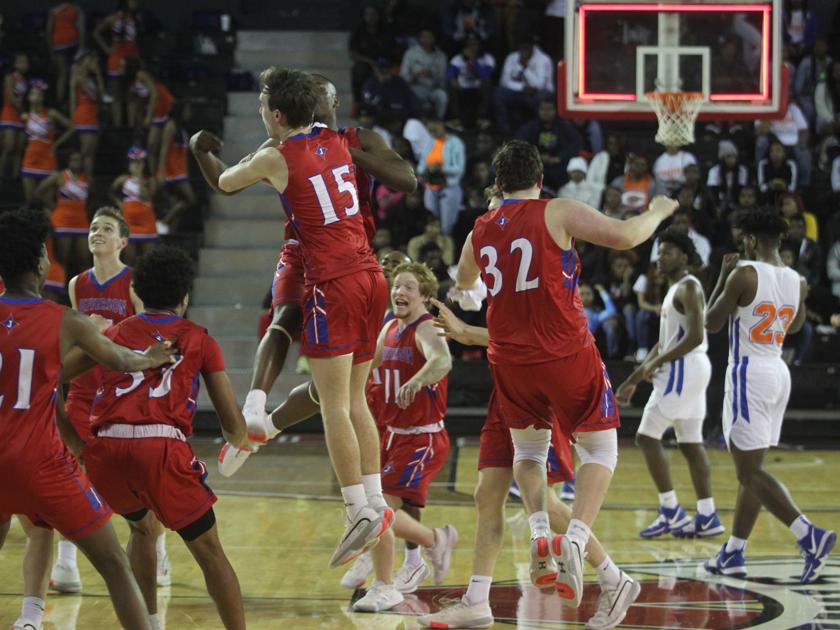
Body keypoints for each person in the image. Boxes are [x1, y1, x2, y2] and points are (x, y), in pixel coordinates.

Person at [437, 140, 676, 616]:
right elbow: (628, 236)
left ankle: (543, 533)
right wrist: (657, 211)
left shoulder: (478, 230)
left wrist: (470, 296)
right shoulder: (558, 211)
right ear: (540, 181)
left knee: (528, 452)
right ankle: (576, 538)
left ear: (498, 184)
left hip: (509, 360)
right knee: (602, 447)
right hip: (563, 350)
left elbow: (464, 288)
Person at [197, 67, 394, 567]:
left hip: (334, 281)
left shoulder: (275, 156)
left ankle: (356, 510)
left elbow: (222, 182)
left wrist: (201, 149)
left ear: (277, 115)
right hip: (372, 276)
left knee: (333, 406)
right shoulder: (335, 139)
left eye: (264, 107)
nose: (261, 113)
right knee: (355, 400)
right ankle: (374, 500)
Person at [0, 208, 175, 630]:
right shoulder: (65, 320)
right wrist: (150, 357)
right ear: (41, 262)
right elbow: (120, 359)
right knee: (114, 562)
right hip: (42, 464)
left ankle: (35, 609)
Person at [421, 295, 640, 630]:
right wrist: (465, 328)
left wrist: (466, 322)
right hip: (507, 387)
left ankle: (613, 577)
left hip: (541, 385)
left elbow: (532, 329)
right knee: (487, 495)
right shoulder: (504, 264)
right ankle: (477, 601)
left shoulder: (531, 257)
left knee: (547, 503)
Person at [81, 245, 250, 630]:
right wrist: (243, 437)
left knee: (143, 527)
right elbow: (232, 425)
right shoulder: (198, 338)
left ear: (136, 292)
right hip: (158, 445)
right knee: (209, 551)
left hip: (105, 449)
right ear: (185, 296)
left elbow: (69, 382)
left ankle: (150, 623)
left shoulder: (114, 333)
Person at [704, 210, 835, 583]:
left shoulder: (744, 273)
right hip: (778, 372)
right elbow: (794, 326)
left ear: (748, 240)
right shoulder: (796, 279)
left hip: (748, 373)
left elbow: (711, 323)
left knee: (749, 472)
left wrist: (720, 278)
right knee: (752, 473)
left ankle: (808, 534)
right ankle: (734, 552)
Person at [350, 261, 457, 610]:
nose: (400, 292)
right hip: (393, 434)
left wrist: (417, 379)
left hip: (421, 437)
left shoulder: (427, 328)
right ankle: (414, 560)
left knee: (381, 509)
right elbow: (368, 365)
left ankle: (428, 545)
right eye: (397, 285)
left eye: (409, 287)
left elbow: (442, 361)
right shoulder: (390, 328)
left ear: (424, 296)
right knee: (394, 508)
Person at [616, 229, 724, 539]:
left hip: (684, 368)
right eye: (659, 252)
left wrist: (657, 363)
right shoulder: (676, 287)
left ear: (685, 257)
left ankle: (671, 511)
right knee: (691, 444)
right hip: (689, 368)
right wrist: (634, 379)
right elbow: (664, 343)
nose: (660, 257)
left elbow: (695, 337)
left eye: (667, 252)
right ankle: (707, 515)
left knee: (646, 438)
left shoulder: (688, 289)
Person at [35, 151, 90, 279]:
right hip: (63, 221)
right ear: (68, 162)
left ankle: (86, 288)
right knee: (63, 258)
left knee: (84, 258)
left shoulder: (87, 178)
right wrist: (52, 206)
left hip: (81, 221)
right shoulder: (60, 176)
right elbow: (39, 192)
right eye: (73, 160)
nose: (76, 163)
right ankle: (62, 286)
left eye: (78, 160)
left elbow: (91, 199)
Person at [20, 80, 75, 204]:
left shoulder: (51, 113)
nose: (36, 97)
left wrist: (56, 144)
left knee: (47, 201)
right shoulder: (25, 116)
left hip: (47, 158)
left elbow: (71, 127)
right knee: (30, 200)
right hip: (30, 159)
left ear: (43, 97)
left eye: (39, 94)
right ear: (29, 97)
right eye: (33, 94)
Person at [515, 99, 581, 191]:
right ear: (538, 110)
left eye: (549, 109)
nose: (546, 113)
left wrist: (559, 158)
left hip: (559, 166)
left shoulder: (565, 127)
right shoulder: (529, 128)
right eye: (543, 109)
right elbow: (520, 146)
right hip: (535, 166)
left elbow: (576, 144)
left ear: (555, 110)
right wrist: (538, 157)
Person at [493, 38, 554, 136]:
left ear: (532, 47)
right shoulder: (512, 58)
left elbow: (539, 85)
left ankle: (538, 133)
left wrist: (525, 68)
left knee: (541, 97)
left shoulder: (543, 59)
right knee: (499, 93)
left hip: (541, 92)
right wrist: (522, 87)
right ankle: (505, 132)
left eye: (527, 48)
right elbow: (504, 81)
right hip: (520, 92)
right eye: (522, 48)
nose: (524, 51)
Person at [94, 0, 140, 126]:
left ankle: (131, 127)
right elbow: (96, 32)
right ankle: (117, 126)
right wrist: (106, 49)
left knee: (132, 94)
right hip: (116, 59)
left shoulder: (135, 18)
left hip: (132, 60)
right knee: (117, 96)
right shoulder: (112, 18)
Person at [416, 115, 465, 236]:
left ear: (442, 125)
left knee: (446, 227)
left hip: (449, 188)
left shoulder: (455, 143)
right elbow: (421, 165)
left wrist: (440, 168)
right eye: (430, 130)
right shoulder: (430, 142)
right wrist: (426, 169)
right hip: (431, 187)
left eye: (435, 129)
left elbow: (459, 169)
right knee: (431, 222)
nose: (432, 132)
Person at [123, 59, 174, 174]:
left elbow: (154, 93)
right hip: (153, 107)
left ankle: (156, 172)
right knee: (152, 146)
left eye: (122, 66)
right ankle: (153, 172)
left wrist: (148, 116)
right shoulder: (130, 81)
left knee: (152, 143)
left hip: (162, 103)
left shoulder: (141, 75)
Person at [110, 145, 159, 262]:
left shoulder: (150, 181)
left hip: (147, 223)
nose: (136, 164)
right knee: (129, 258)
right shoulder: (123, 179)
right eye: (133, 161)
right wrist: (119, 203)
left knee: (148, 259)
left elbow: (147, 196)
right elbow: (111, 192)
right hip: (129, 223)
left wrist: (138, 177)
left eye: (139, 162)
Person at [156, 100, 196, 234]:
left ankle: (170, 234)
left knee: (176, 203)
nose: (189, 113)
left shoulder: (181, 128)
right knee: (190, 199)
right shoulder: (170, 126)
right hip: (172, 170)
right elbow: (164, 149)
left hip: (180, 170)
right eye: (187, 110)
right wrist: (161, 170)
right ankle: (164, 221)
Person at [69, 50, 104, 177]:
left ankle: (88, 181)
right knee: (86, 153)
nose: (95, 64)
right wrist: (73, 117)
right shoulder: (79, 77)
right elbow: (93, 96)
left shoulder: (91, 78)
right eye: (93, 61)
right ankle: (81, 180)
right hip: (84, 115)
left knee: (91, 154)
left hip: (93, 115)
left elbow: (101, 95)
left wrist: (99, 75)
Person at [400, 28, 449, 119]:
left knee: (442, 96)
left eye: (429, 36)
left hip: (433, 87)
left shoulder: (440, 55)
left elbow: (443, 78)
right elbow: (403, 77)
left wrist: (432, 73)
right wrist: (415, 76)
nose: (427, 39)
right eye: (424, 36)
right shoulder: (411, 53)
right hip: (415, 87)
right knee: (421, 101)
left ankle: (438, 121)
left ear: (434, 38)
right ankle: (420, 122)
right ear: (419, 38)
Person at [46, 3, 85, 103]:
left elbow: (49, 31)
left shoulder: (53, 11)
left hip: (58, 44)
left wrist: (51, 51)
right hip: (73, 43)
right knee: (76, 72)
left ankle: (60, 101)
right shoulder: (77, 9)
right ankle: (76, 101)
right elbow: (81, 29)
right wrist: (82, 48)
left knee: (62, 74)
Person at [0, 53, 29, 178]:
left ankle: (15, 175)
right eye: (21, 62)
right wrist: (23, 110)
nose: (25, 64)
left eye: (26, 62)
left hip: (20, 116)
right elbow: (10, 97)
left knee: (19, 148)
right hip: (9, 114)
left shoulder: (24, 81)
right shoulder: (10, 77)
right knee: (9, 146)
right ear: (15, 64)